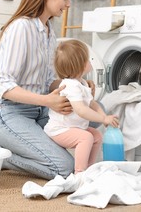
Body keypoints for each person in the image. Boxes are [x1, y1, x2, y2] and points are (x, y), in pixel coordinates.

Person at [0, 0, 96, 180]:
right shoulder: (21, 28)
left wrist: (79, 84)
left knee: (91, 121)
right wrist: (47, 101)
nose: (68, 4)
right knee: (64, 168)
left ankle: (14, 149)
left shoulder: (48, 32)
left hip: (39, 112)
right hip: (10, 114)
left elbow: (47, 81)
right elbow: (3, 85)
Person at [44, 39, 119, 174]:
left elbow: (92, 103)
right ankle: (80, 174)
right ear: (81, 65)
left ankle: (89, 169)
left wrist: (104, 116)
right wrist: (103, 120)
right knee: (86, 137)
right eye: (88, 59)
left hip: (72, 127)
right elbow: (82, 110)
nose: (90, 62)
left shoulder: (82, 83)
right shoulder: (71, 85)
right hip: (59, 130)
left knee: (96, 136)